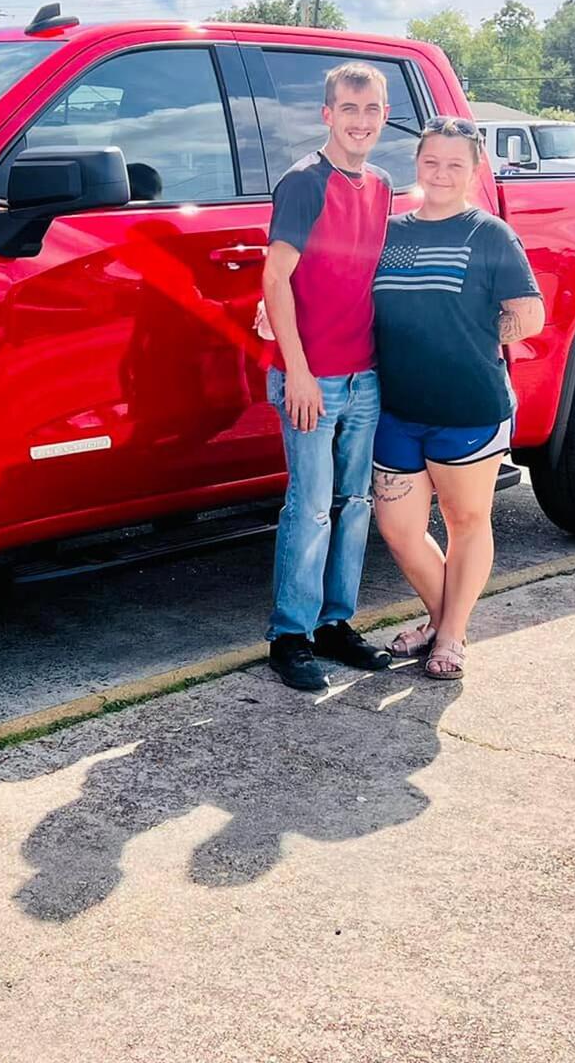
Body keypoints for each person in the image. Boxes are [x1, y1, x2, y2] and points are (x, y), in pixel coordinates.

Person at [371, 117, 545, 681]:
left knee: (465, 520)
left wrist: (474, 337)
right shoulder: (389, 232)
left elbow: (531, 315)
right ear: (416, 165)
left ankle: (447, 635)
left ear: (473, 172)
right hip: (397, 409)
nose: (441, 174)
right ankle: (446, 620)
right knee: (399, 529)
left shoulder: (488, 234)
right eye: (431, 162)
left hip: (469, 408)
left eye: (455, 165)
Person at [260, 61, 397, 691]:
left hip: (363, 376)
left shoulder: (382, 185)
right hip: (312, 379)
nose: (360, 122)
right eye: (349, 110)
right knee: (311, 507)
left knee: (355, 504)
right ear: (327, 115)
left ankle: (335, 626)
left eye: (371, 111)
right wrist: (299, 373)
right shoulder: (304, 183)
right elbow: (275, 277)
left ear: (384, 115)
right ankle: (290, 635)